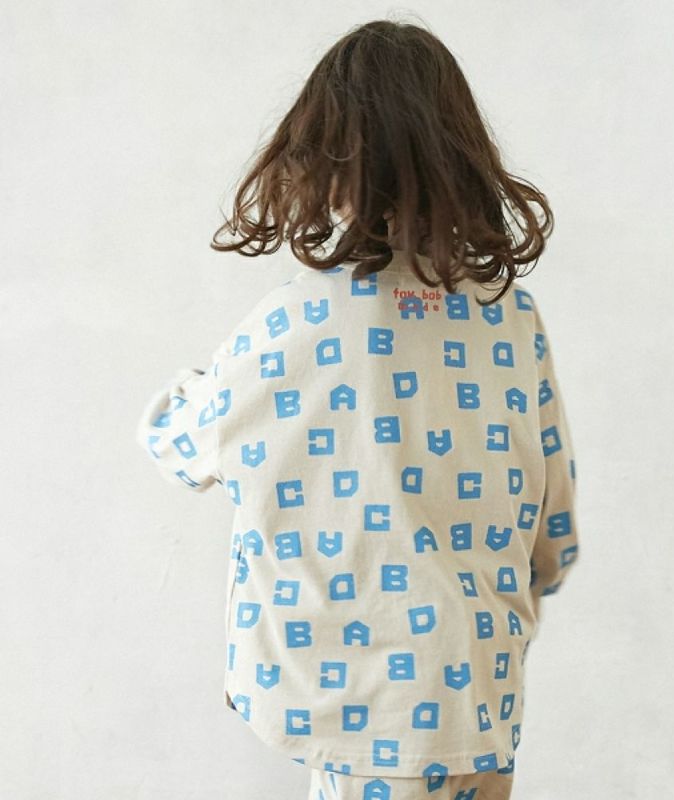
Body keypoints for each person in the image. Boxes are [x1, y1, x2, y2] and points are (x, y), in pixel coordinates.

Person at [135, 17, 579, 800]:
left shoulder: (300, 322)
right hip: (483, 696)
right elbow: (554, 521)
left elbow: (184, 445)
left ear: (323, 164)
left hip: (368, 708)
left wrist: (192, 386)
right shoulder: (510, 315)